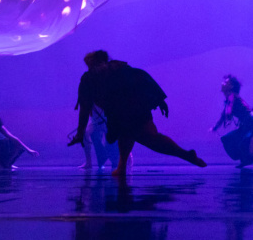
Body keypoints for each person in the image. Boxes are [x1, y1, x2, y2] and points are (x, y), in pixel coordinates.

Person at [68, 50, 207, 176]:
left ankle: (185, 154)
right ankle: (122, 167)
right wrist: (80, 133)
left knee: (151, 140)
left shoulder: (113, 72)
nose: (93, 69)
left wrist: (160, 100)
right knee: (128, 135)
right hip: (123, 113)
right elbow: (85, 107)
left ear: (102, 63)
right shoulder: (97, 76)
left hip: (134, 110)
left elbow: (143, 80)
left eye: (94, 65)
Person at [77, 104, 120, 170]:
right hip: (95, 123)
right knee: (85, 134)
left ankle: (122, 160)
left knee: (111, 142)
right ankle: (89, 162)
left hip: (106, 121)